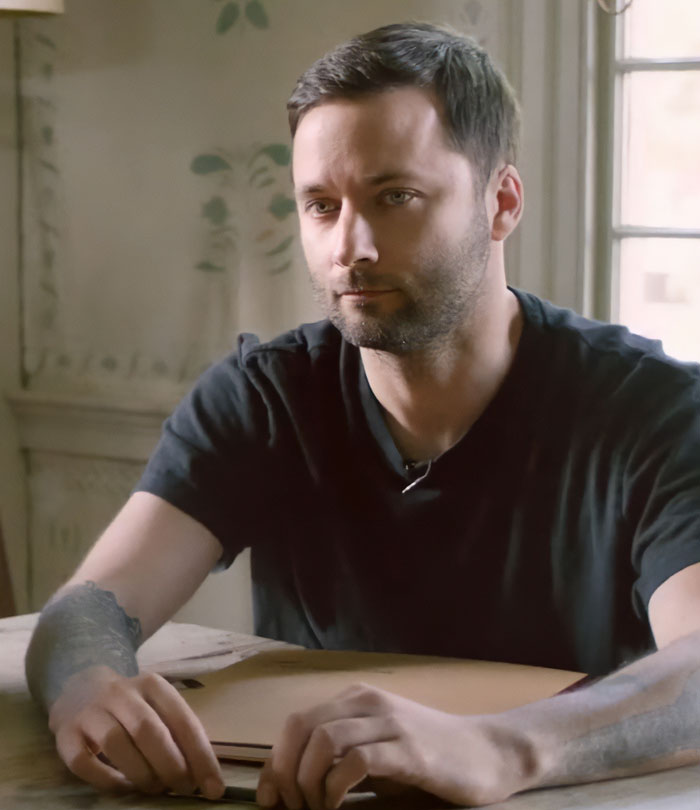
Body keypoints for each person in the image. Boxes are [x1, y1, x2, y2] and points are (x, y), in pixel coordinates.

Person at [25, 21, 700, 809]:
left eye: (396, 197)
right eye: (320, 205)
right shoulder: (264, 397)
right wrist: (87, 687)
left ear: (502, 203)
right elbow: (87, 608)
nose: (352, 246)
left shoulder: (651, 408)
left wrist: (506, 746)